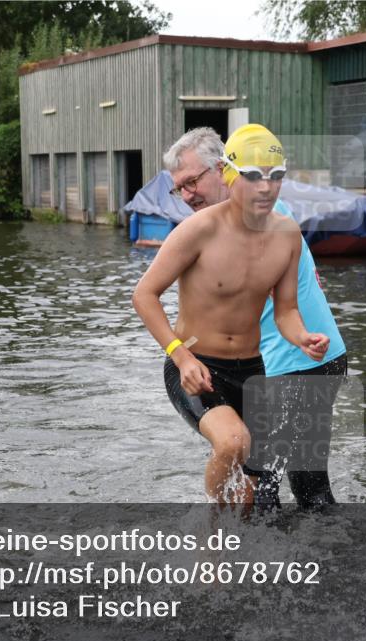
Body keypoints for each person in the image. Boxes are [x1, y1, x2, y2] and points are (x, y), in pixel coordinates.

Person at [133, 124, 329, 505]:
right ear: (229, 173)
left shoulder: (287, 234)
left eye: (275, 177)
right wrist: (180, 355)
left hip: (252, 371)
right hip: (196, 366)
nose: (266, 187)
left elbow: (285, 310)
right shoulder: (197, 231)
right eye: (254, 176)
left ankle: (239, 552)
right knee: (233, 442)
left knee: (252, 492)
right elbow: (144, 294)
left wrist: (303, 337)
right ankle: (209, 544)